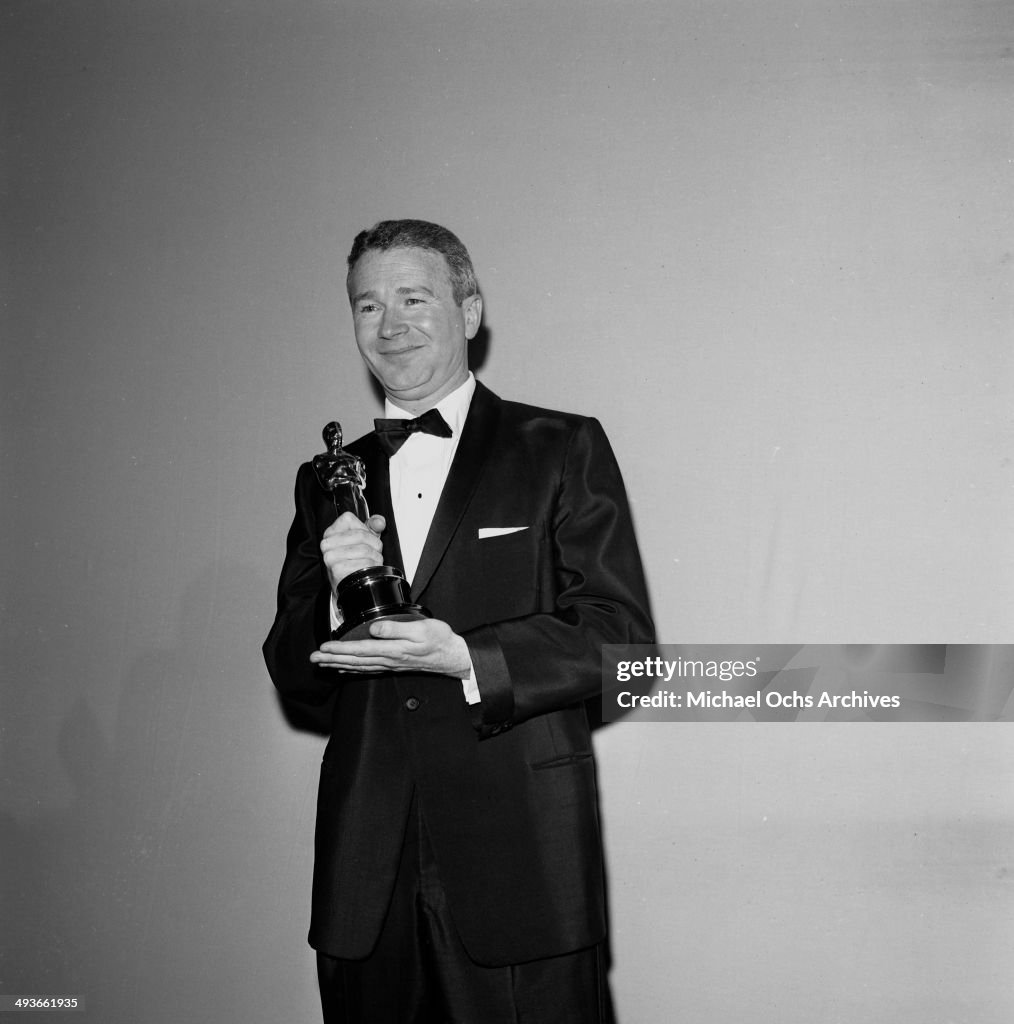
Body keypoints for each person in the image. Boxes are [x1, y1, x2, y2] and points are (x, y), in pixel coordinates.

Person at [263, 219, 654, 1023]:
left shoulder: (560, 446)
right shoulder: (327, 477)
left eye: (414, 298)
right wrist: (339, 601)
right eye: (367, 306)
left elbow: (622, 643)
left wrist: (467, 657)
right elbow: (295, 679)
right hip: (365, 877)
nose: (390, 324)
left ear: (470, 311)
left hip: (522, 866)